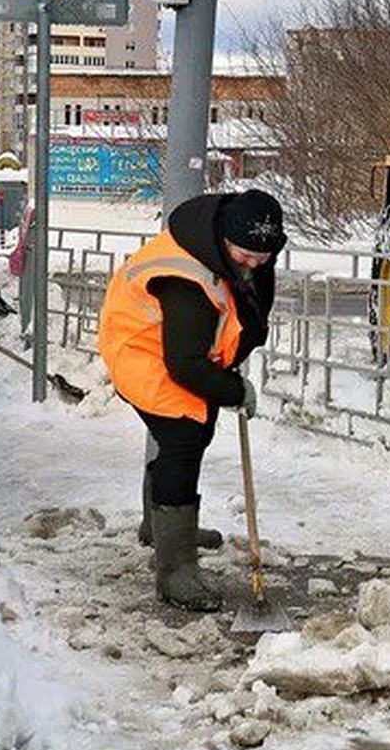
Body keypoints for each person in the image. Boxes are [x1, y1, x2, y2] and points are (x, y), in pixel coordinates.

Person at [97, 188, 286, 611]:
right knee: (184, 440)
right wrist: (235, 390)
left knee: (194, 435)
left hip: (171, 347)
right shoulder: (186, 281)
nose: (254, 265)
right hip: (143, 353)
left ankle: (161, 525)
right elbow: (184, 364)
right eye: (245, 256)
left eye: (264, 257)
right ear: (224, 241)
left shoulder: (220, 248)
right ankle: (175, 569)